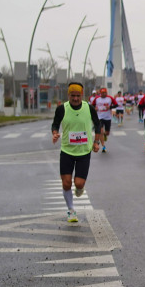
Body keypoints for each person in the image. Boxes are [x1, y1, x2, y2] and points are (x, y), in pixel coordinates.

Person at [51, 82, 102, 223]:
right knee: (66, 183)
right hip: (67, 150)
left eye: (78, 96)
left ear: (82, 95)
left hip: (84, 152)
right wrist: (55, 133)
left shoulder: (88, 108)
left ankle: (79, 188)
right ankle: (71, 210)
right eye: (72, 96)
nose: (75, 99)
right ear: (68, 95)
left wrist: (96, 142)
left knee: (78, 183)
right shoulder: (62, 108)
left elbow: (98, 124)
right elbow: (55, 124)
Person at [90, 87, 117, 153]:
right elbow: (91, 106)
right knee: (101, 131)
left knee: (107, 133)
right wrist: (95, 109)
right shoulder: (97, 99)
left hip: (108, 117)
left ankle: (105, 134)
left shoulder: (110, 98)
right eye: (102, 93)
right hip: (99, 117)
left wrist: (110, 107)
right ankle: (103, 146)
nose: (104, 94)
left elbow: (116, 105)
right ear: (100, 93)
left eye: (105, 93)